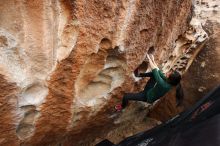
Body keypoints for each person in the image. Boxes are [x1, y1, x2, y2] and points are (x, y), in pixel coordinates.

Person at [115, 54, 184, 111]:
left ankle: (122, 106)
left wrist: (149, 59)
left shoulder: (164, 85)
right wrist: (153, 60)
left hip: (147, 97)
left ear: (171, 78)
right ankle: (138, 75)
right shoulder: (169, 81)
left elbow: (154, 70)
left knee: (126, 96)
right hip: (150, 90)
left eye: (170, 73)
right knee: (154, 75)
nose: (168, 72)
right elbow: (158, 71)